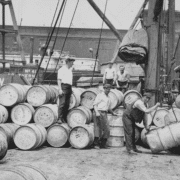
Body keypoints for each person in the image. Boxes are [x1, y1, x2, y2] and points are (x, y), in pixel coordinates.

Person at [93, 84, 117, 149]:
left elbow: (108, 107)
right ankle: (96, 144)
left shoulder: (108, 97)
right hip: (98, 112)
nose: (108, 90)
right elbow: (95, 104)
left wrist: (112, 113)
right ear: (104, 89)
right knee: (98, 128)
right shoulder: (100, 95)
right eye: (106, 89)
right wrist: (97, 112)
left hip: (104, 113)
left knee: (107, 129)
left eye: (109, 89)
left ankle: (103, 144)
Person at [57, 57, 75, 123]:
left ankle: (64, 118)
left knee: (67, 104)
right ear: (68, 62)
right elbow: (59, 80)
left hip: (69, 87)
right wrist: (60, 89)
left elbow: (69, 81)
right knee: (62, 103)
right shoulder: (61, 70)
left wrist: (71, 89)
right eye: (72, 62)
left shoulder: (69, 70)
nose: (73, 63)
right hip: (63, 86)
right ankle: (59, 118)